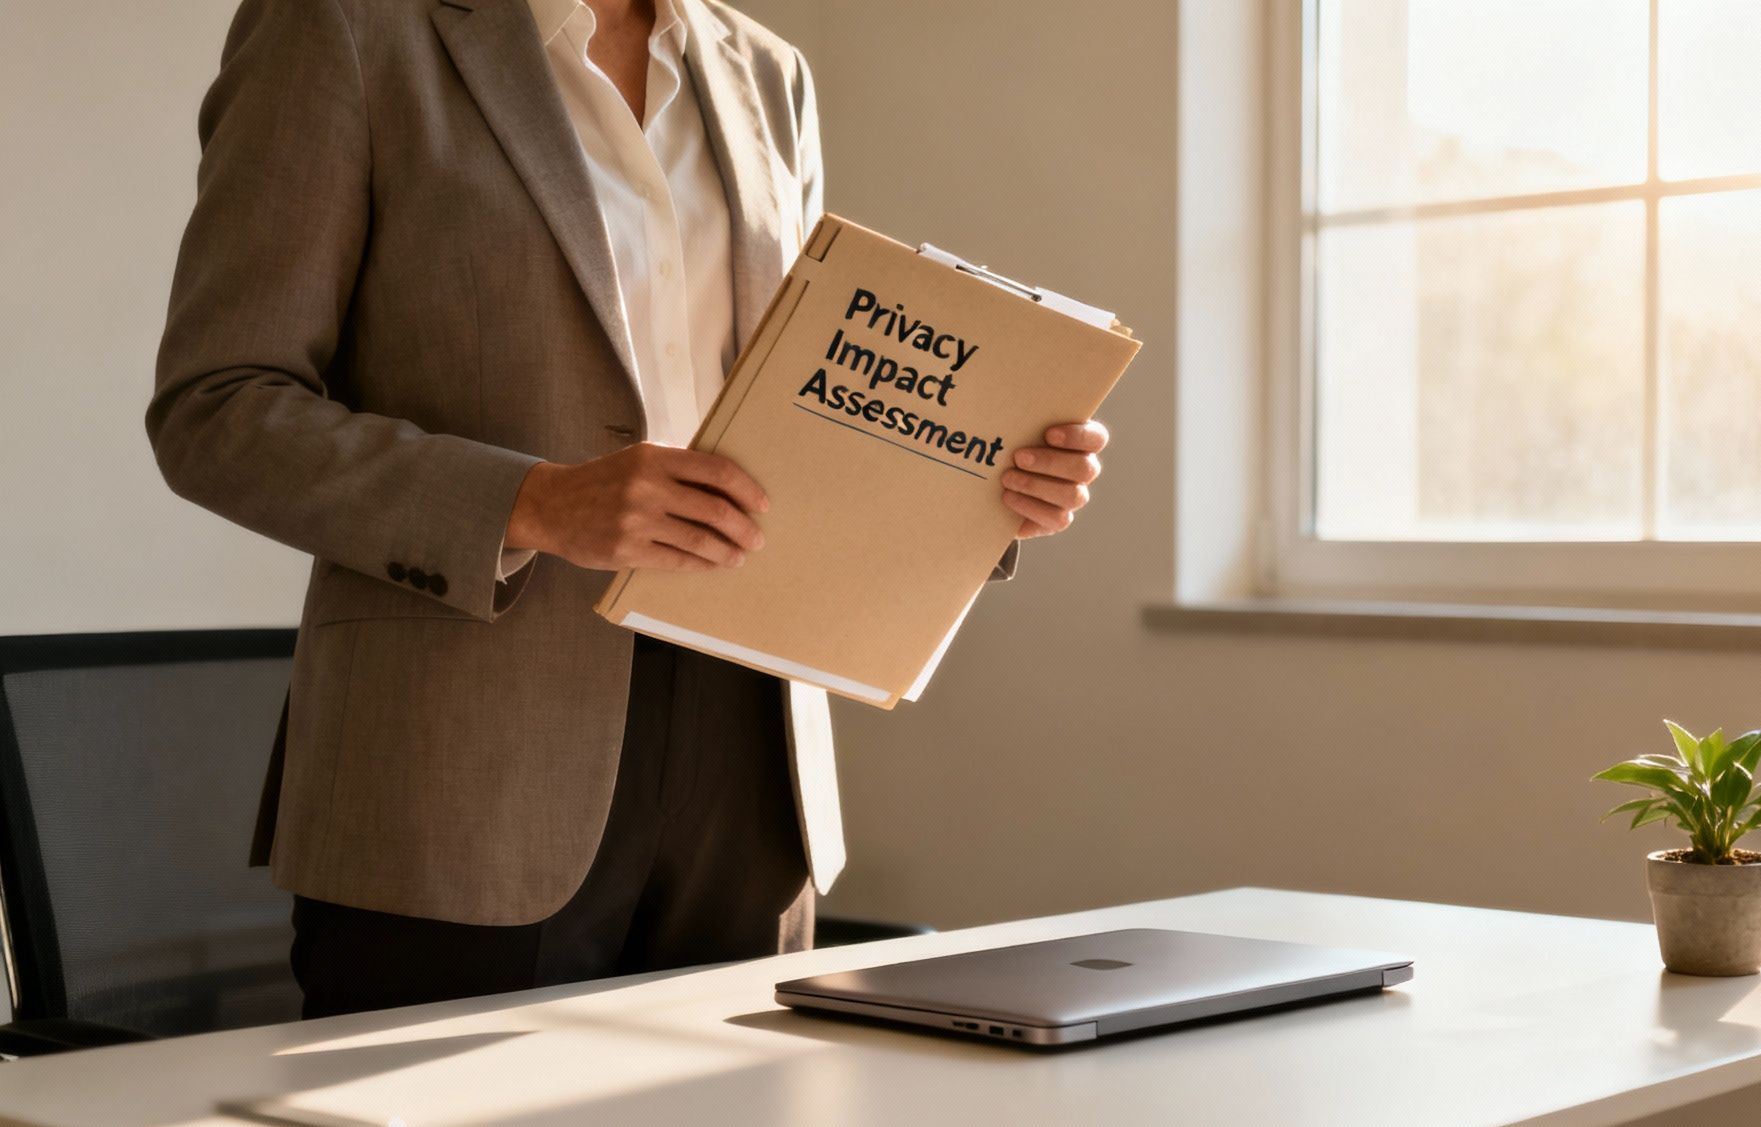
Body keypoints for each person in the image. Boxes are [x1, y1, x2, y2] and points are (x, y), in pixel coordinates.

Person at [148, 0, 1108, 1018]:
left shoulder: (766, 70)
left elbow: (804, 400)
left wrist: (986, 485)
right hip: (464, 759)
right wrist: (531, 502)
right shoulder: (346, 29)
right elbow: (219, 409)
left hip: (754, 744)